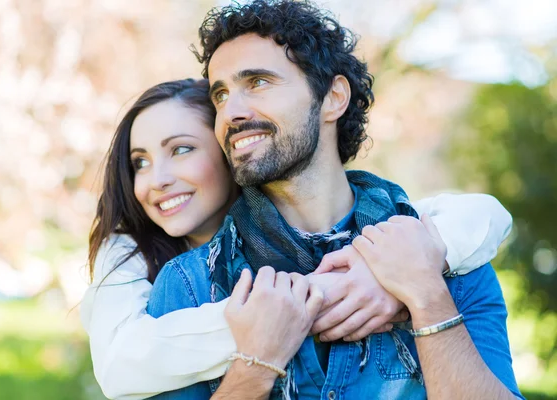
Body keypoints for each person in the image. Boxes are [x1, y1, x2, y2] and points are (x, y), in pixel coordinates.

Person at [145, 1, 523, 399]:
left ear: (333, 97)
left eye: (257, 82)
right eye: (220, 95)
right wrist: (256, 368)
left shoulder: (441, 256)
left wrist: (427, 297)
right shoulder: (191, 285)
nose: (230, 112)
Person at [80, 79, 513, 399]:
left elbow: (477, 215)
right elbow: (120, 366)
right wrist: (274, 327)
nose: (157, 180)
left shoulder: (384, 232)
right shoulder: (140, 261)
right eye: (139, 161)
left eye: (181, 149)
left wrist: (391, 276)